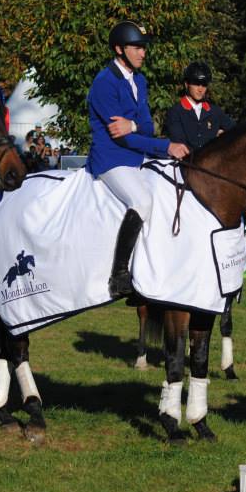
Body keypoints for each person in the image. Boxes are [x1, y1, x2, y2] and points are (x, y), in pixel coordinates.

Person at [87, 21, 190, 298]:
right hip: (111, 159)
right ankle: (119, 276)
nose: (143, 53)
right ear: (119, 49)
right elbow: (121, 138)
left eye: (143, 48)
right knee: (142, 201)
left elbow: (145, 127)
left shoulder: (140, 80)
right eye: (136, 48)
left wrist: (132, 125)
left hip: (137, 154)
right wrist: (165, 146)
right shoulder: (103, 84)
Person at [164, 61, 235, 153]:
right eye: (196, 83)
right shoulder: (175, 112)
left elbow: (236, 131)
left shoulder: (215, 111)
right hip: (186, 165)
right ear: (187, 84)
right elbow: (180, 147)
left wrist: (224, 137)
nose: (200, 89)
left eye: (204, 84)